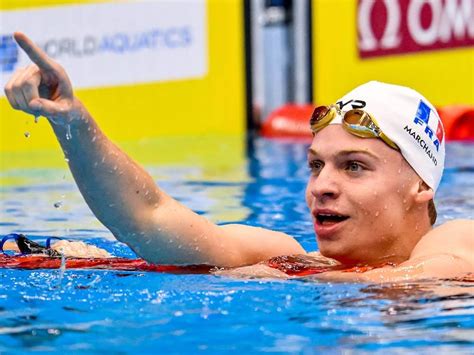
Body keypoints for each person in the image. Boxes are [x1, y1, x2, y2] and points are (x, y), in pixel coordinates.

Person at [4, 32, 473, 282]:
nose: (322, 186)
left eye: (354, 166)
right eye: (316, 164)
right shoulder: (289, 259)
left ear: (420, 186)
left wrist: (267, 278)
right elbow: (150, 218)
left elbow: (413, 281)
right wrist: (72, 122)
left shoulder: (458, 238)